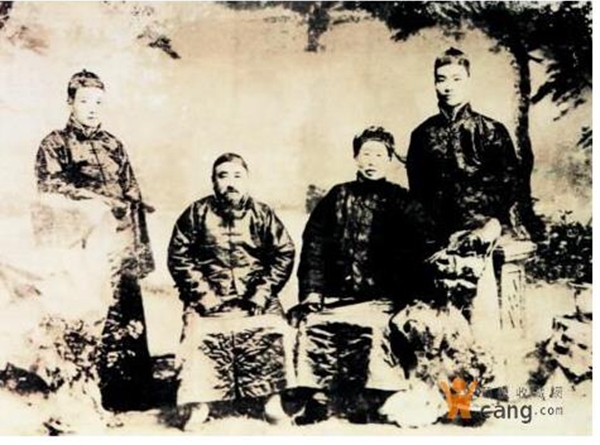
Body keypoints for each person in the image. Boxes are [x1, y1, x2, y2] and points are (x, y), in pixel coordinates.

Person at [291, 126, 437, 425]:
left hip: (382, 299)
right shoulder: (338, 196)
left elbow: (422, 249)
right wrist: (313, 292)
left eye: (380, 155)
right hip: (337, 296)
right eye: (366, 154)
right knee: (315, 325)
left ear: (390, 161)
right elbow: (314, 246)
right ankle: (319, 398)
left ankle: (368, 398)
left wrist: (407, 296)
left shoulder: (403, 201)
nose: (372, 161)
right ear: (356, 157)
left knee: (374, 330)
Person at [34, 70, 155, 412]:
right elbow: (50, 189)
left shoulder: (114, 144)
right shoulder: (54, 144)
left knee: (126, 308)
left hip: (120, 240)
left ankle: (132, 396)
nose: (92, 108)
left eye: (98, 102)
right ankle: (88, 392)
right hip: (84, 242)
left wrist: (137, 243)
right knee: (91, 310)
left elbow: (131, 189)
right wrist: (97, 201)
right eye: (85, 101)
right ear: (69, 102)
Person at [167, 153, 296, 430]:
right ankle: (200, 404)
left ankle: (272, 400)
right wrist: (205, 296)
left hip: (255, 299)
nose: (231, 183)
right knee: (198, 333)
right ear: (213, 182)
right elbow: (179, 257)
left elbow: (284, 253)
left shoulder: (262, 214)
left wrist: (262, 293)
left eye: (237, 176)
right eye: (223, 176)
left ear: (247, 180)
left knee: (273, 328)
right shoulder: (196, 213)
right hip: (210, 300)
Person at [406, 47, 522, 242]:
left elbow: (510, 187)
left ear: (468, 81)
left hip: (486, 231)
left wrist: (483, 226)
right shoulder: (421, 135)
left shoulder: (491, 130)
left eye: (456, 79)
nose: (448, 87)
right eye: (441, 80)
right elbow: (418, 193)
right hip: (435, 236)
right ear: (435, 84)